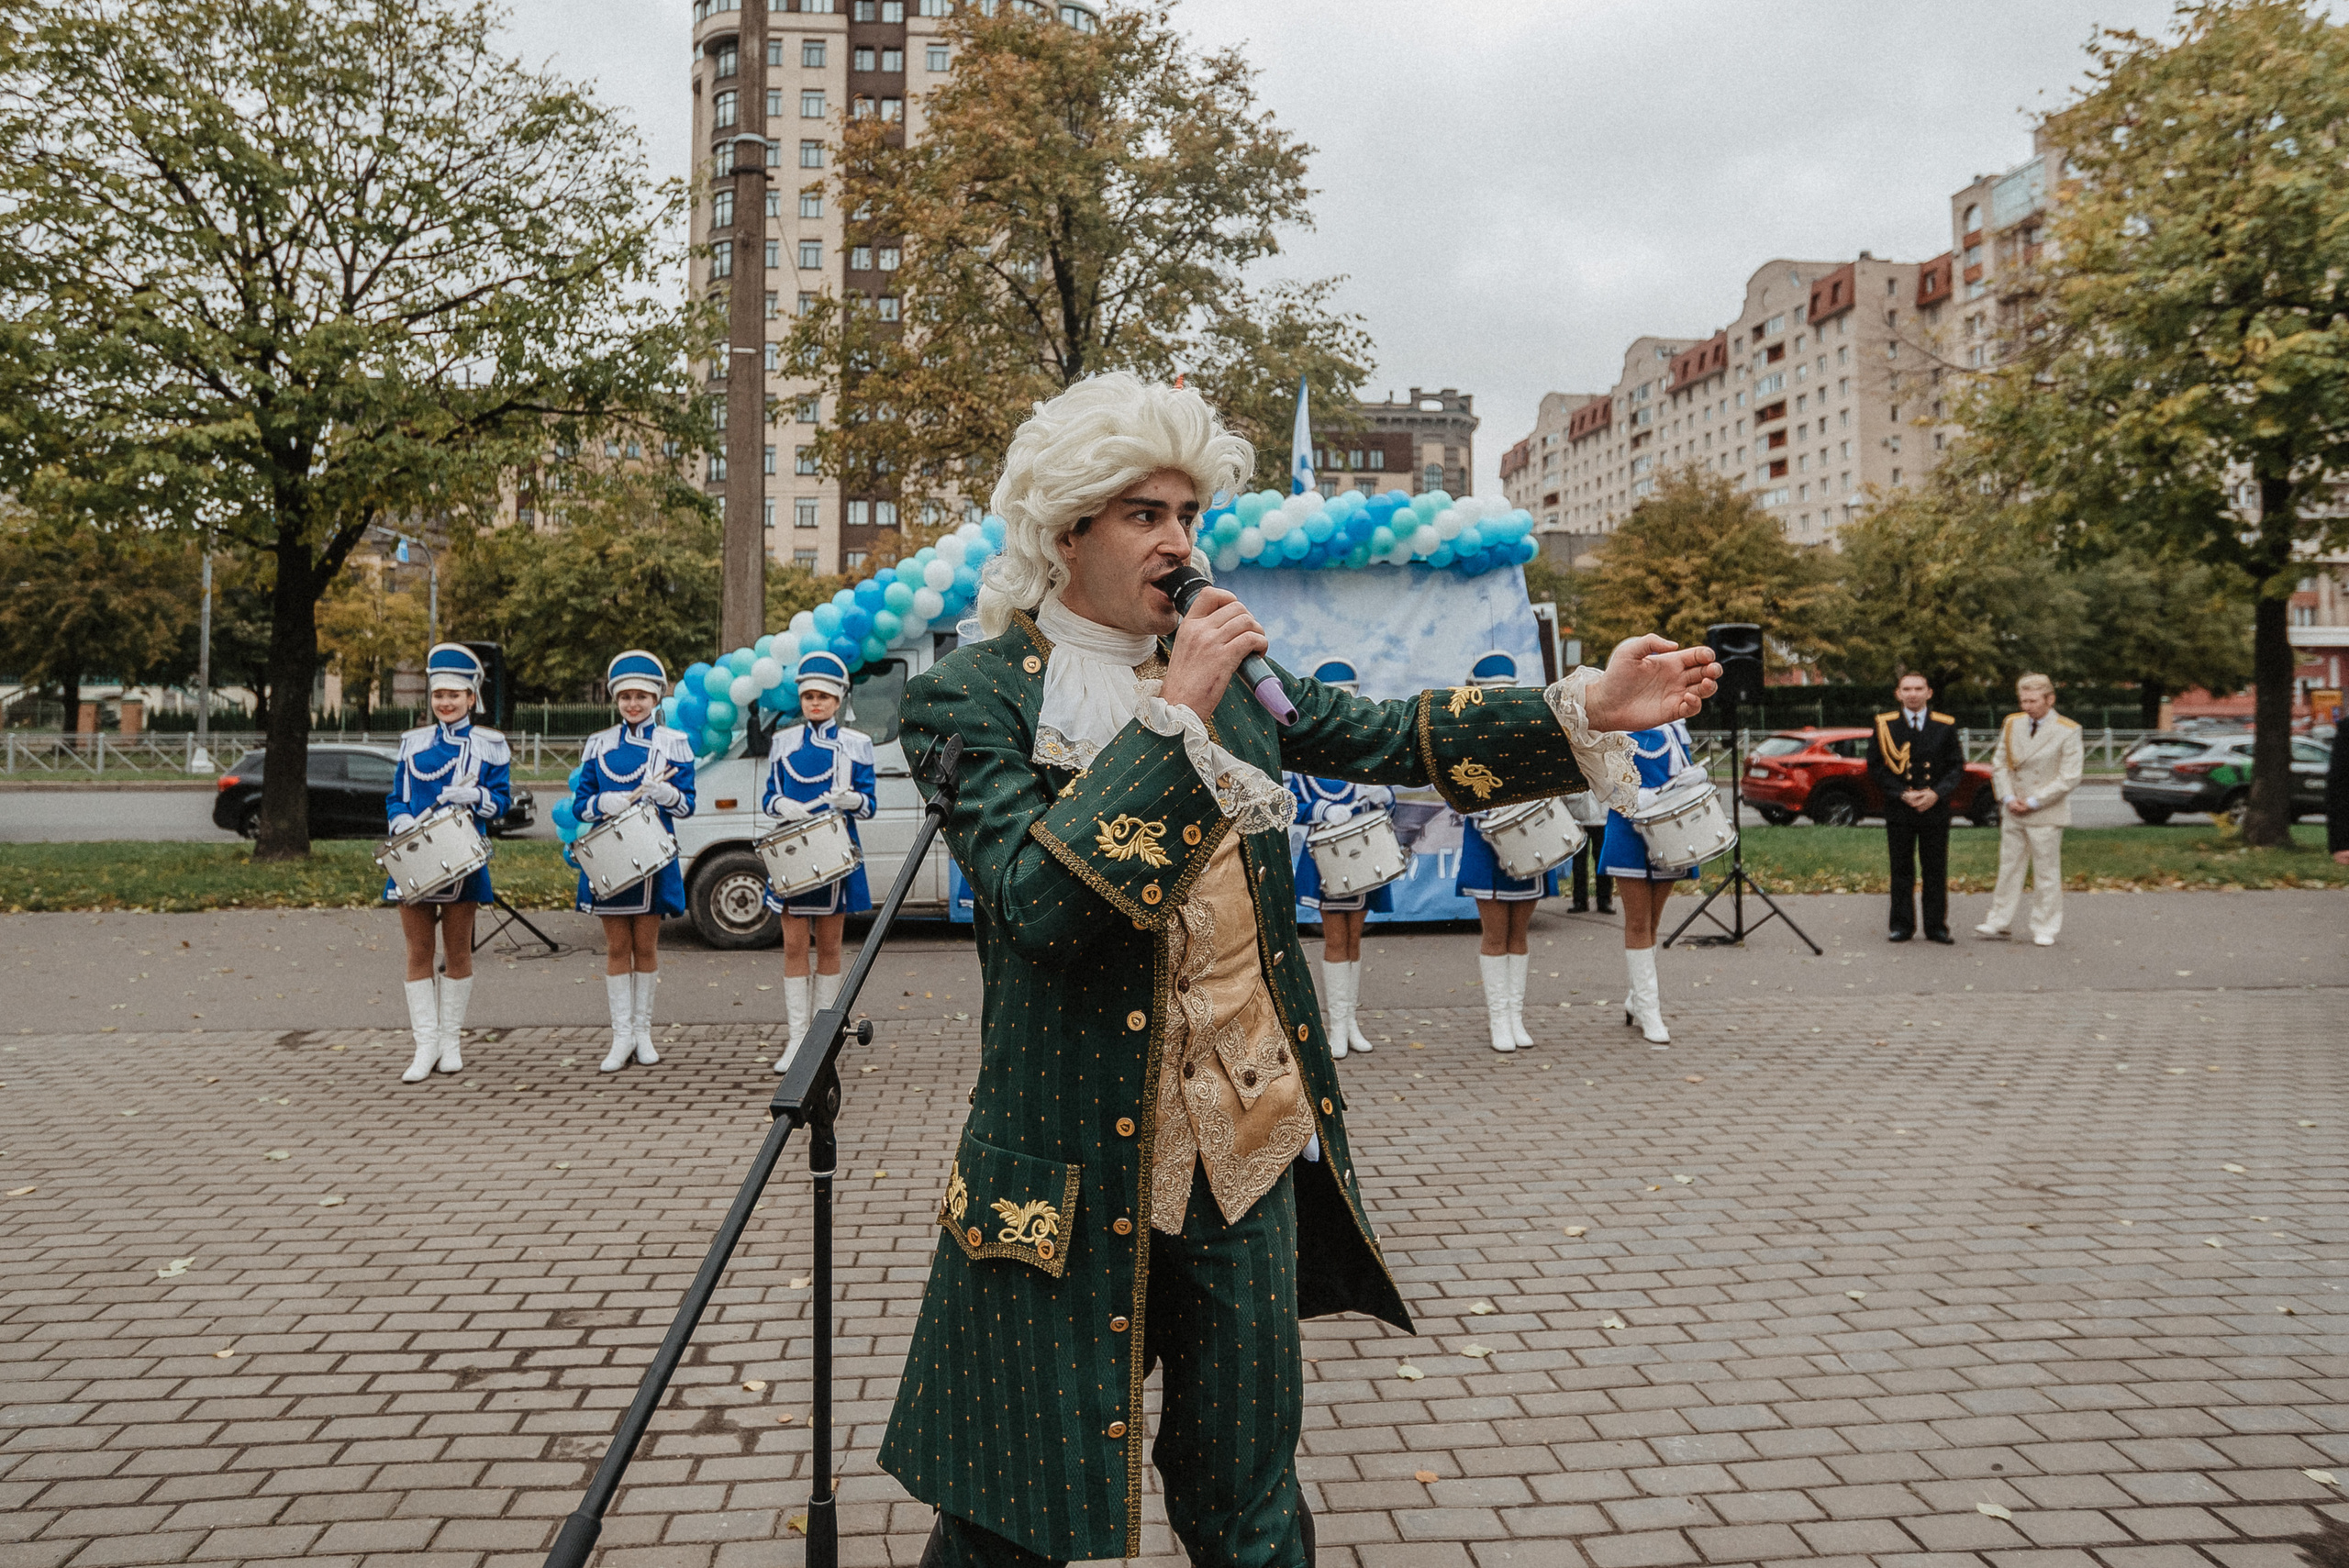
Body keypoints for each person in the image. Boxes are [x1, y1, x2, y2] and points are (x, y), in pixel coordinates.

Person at [879, 371, 1715, 1568]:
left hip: (1246, 1145)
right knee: (1011, 1510)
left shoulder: (1236, 685)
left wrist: (1585, 704)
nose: (1181, 542)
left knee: (1251, 1502)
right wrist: (1172, 717)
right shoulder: (973, 698)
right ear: (1066, 529)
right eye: (1145, 515)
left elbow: (1386, 732)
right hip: (1063, 1163)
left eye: (1188, 513)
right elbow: (1039, 910)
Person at [384, 643, 511, 1084]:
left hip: (462, 861)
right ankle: (425, 1046)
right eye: (439, 695)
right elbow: (396, 795)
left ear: (472, 698)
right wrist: (400, 819)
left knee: (458, 953)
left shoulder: (490, 745)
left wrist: (477, 796)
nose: (446, 702)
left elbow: (503, 803)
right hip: (415, 857)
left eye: (455, 695)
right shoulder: (413, 742)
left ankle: (451, 1041)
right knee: (418, 952)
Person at [573, 651, 696, 1073]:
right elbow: (579, 804)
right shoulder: (600, 743)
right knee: (616, 947)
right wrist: (599, 801)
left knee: (646, 945)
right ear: (616, 699)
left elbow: (687, 806)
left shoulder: (673, 744)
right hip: (610, 857)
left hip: (653, 857)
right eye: (625, 696)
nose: (633, 704)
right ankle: (620, 1035)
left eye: (642, 696)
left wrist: (667, 795)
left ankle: (643, 1032)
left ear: (657, 698)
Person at [761, 649, 877, 1075]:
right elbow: (768, 797)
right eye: (809, 696)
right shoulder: (784, 742)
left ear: (839, 700)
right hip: (793, 857)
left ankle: (822, 1036)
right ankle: (796, 1037)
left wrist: (854, 799)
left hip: (835, 859)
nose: (815, 703)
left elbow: (869, 807)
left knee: (829, 947)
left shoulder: (857, 745)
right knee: (793, 946)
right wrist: (781, 804)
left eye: (824, 697)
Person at [1286, 661, 1393, 1062]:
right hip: (1326, 858)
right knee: (1334, 940)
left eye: (1348, 694)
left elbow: (1384, 798)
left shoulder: (1363, 746)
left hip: (1364, 856)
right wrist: (1320, 812)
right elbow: (1289, 802)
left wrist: (1385, 798)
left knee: (1354, 940)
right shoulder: (1304, 747)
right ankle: (1334, 1027)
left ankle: (1350, 1024)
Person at [1454, 651, 1557, 1053]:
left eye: (1506, 692)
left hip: (1527, 840)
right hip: (1486, 845)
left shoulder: (1526, 733)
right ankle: (1498, 1018)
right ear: (1476, 694)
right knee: (1495, 933)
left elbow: (1546, 779)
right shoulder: (1462, 735)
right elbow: (1451, 788)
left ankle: (1516, 1016)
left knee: (1521, 933)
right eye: (1492, 693)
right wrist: (1480, 812)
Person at [1596, 718, 1706, 1045]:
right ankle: (1649, 1009)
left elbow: (1681, 774)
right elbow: (1600, 782)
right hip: (1628, 831)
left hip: (1668, 832)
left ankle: (1636, 999)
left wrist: (1694, 778)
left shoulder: (1673, 729)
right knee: (1638, 923)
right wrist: (1629, 795)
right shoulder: (1616, 727)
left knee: (1654, 922)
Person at [1977, 673, 2084, 946]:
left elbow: (2070, 776)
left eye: (2033, 701)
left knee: (2046, 872)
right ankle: (1999, 920)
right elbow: (1999, 764)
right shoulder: (2012, 724)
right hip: (2013, 809)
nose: (2027, 706)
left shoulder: (2068, 729)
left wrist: (2035, 801)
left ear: (2050, 699)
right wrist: (2008, 797)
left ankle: (2045, 926)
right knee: (2008, 867)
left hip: (2045, 811)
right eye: (2023, 700)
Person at [1866, 672, 1965, 944]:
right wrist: (1900, 793)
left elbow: (1956, 767)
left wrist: (1936, 793)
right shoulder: (1884, 724)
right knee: (1901, 869)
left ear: (1929, 693)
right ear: (1898, 693)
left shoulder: (1945, 725)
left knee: (1935, 868)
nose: (1912, 694)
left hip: (1934, 808)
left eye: (1918, 688)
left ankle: (1936, 926)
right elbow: (1875, 767)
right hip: (1900, 808)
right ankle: (1901, 925)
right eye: (1906, 689)